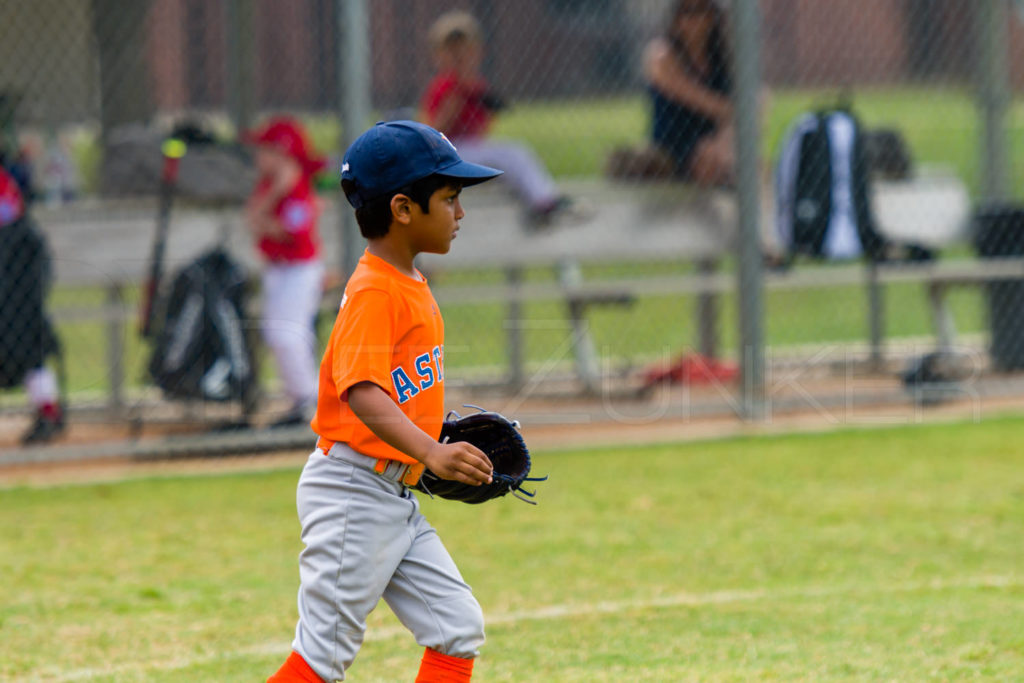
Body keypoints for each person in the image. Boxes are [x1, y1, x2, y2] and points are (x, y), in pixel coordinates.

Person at [267, 120, 501, 683]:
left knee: (456, 627)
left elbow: (397, 389)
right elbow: (362, 391)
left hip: (391, 490)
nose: (460, 212)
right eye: (449, 198)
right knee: (321, 659)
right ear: (402, 208)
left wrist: (436, 438)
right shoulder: (375, 291)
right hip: (353, 491)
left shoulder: (406, 282)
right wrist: (433, 451)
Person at [421, 10, 581, 228]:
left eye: (464, 49)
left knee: (512, 154)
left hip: (471, 150)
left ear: (477, 52)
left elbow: (484, 128)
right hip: (447, 154)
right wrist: (450, 111)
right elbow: (429, 133)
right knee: (512, 154)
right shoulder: (443, 86)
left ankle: (542, 201)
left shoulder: (476, 86)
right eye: (451, 50)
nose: (459, 55)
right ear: (438, 55)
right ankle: (544, 201)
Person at [243, 117, 325, 427]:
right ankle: (301, 400)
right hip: (277, 271)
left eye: (266, 150)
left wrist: (271, 208)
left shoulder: (298, 187)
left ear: (283, 154)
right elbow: (254, 221)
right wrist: (273, 197)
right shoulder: (271, 185)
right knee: (276, 334)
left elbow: (292, 233)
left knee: (288, 335)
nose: (258, 157)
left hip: (299, 271)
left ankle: (309, 402)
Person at [0, 166, 64, 444]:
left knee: (27, 344)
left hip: (14, 270)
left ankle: (49, 413)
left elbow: (9, 215)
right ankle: (49, 412)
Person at [642, 0, 735, 186]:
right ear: (674, 17)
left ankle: (729, 168)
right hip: (674, 142)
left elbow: (748, 101)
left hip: (717, 139)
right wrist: (738, 112)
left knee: (724, 147)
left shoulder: (721, 55)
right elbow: (705, 102)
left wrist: (730, 127)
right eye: (686, 11)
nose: (694, 19)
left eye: (701, 10)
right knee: (709, 153)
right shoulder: (661, 55)